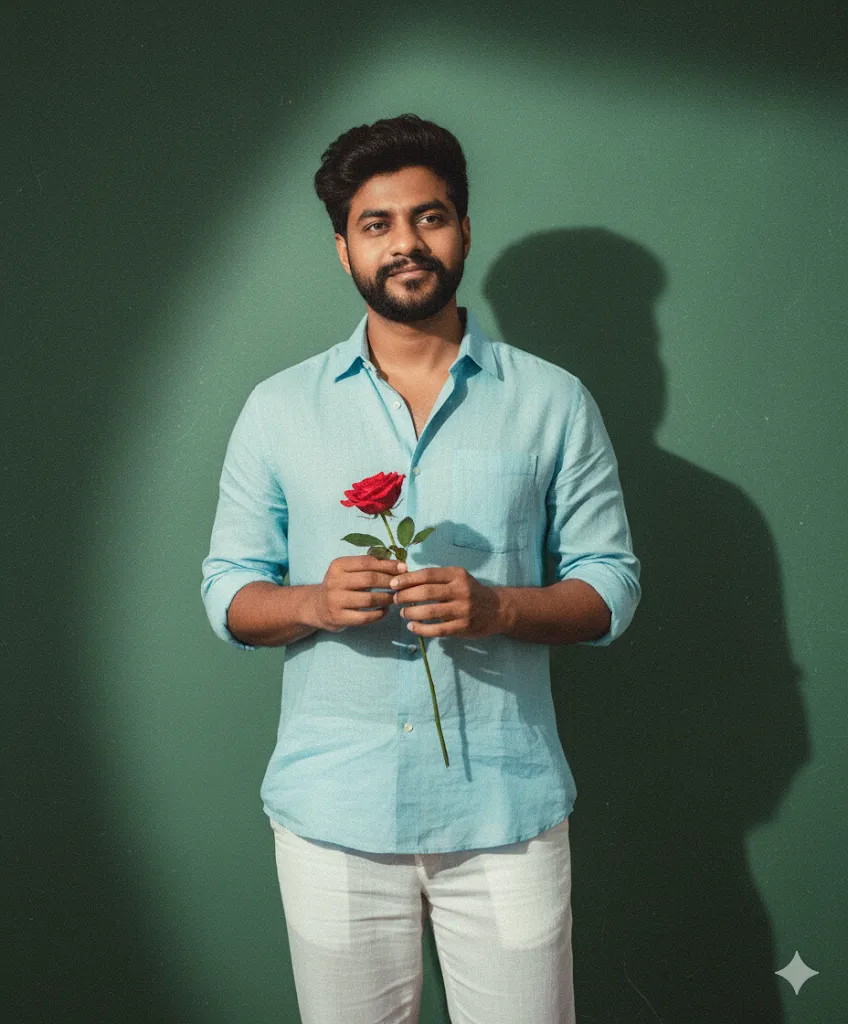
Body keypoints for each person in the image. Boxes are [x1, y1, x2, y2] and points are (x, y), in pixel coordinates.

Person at [201, 113, 640, 1024]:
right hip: (332, 820)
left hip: (508, 819)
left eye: (429, 217)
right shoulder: (278, 409)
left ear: (465, 229)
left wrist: (500, 610)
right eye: (377, 224)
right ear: (344, 248)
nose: (407, 244)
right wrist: (316, 602)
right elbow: (226, 592)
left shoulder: (554, 401)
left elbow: (612, 585)